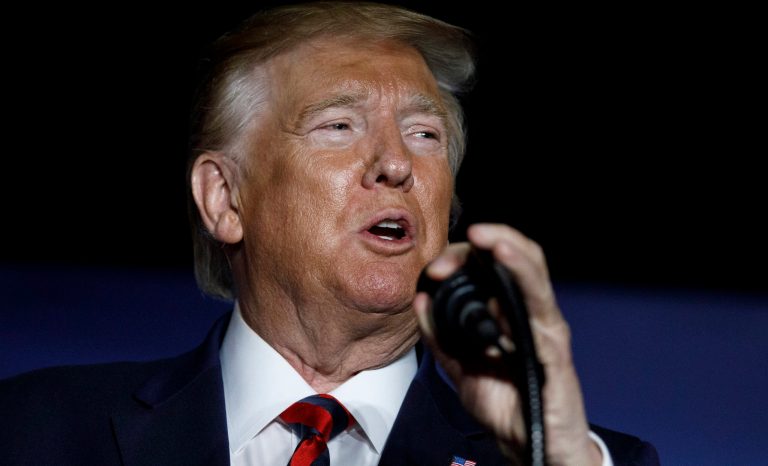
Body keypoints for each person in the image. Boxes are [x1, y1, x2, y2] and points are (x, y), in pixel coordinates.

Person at [0, 2, 659, 465]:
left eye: (425, 135)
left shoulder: (573, 460)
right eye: (340, 126)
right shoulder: (34, 431)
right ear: (225, 197)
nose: (397, 163)